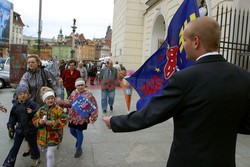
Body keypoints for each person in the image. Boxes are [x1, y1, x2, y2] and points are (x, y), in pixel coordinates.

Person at [103, 16, 250, 167]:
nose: (183, 46)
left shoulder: (184, 79)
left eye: (184, 41)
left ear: (196, 41)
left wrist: (114, 122)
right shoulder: (244, 77)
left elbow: (152, 114)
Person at [18, 54, 62, 156]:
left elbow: (54, 84)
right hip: (31, 104)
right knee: (30, 124)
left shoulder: (44, 72)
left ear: (38, 63)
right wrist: (22, 94)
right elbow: (23, 85)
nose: (30, 64)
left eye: (33, 62)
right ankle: (30, 144)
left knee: (45, 123)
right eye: (29, 62)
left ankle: (50, 141)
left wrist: (58, 96)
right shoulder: (26, 75)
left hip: (44, 103)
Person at [3, 85, 40, 167]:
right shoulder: (16, 106)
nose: (23, 95)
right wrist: (10, 126)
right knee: (15, 147)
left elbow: (39, 112)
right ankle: (9, 162)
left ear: (28, 94)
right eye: (20, 94)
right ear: (17, 96)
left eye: (24, 93)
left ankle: (36, 158)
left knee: (33, 145)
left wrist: (32, 112)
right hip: (20, 129)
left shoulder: (32, 104)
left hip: (31, 129)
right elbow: (12, 117)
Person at [32, 86, 67, 167]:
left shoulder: (58, 109)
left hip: (54, 136)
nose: (50, 100)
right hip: (42, 136)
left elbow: (64, 120)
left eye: (52, 98)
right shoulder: (41, 110)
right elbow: (34, 119)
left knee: (49, 155)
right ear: (44, 100)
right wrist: (39, 122)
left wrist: (53, 123)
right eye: (48, 99)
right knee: (45, 152)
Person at [67, 78, 98, 158]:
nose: (80, 87)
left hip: (83, 117)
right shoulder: (73, 93)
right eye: (78, 85)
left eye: (82, 85)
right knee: (72, 131)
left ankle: (79, 148)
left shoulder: (88, 94)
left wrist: (93, 115)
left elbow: (94, 105)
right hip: (73, 117)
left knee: (79, 131)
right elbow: (69, 101)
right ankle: (79, 140)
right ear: (76, 86)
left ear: (84, 85)